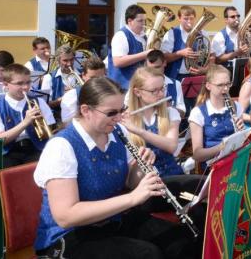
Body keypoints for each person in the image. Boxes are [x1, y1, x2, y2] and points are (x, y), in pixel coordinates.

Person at [33, 77, 201, 258]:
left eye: (122, 110)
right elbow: (66, 216)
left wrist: (143, 169)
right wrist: (132, 198)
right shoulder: (62, 147)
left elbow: (130, 179)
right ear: (86, 110)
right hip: (70, 236)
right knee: (147, 255)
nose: (119, 117)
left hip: (113, 220)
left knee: (181, 240)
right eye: (112, 112)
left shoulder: (117, 132)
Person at [123, 65, 201, 211]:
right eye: (154, 91)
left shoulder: (170, 113)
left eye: (162, 88)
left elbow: (171, 146)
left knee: (199, 204)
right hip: (146, 186)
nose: (161, 94)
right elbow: (129, 177)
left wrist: (139, 131)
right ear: (137, 92)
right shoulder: (125, 121)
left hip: (173, 176)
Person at [0, 64, 56, 167]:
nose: (25, 87)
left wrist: (42, 124)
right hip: (9, 152)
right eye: (19, 83)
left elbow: (51, 130)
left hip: (36, 147)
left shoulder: (38, 102)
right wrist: (25, 123)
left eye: (28, 82)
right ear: (5, 84)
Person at [188, 65, 245, 167]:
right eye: (220, 85)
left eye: (228, 84)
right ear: (208, 86)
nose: (226, 89)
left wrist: (243, 133)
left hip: (236, 161)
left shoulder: (236, 107)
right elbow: (197, 155)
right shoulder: (198, 113)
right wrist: (223, 147)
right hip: (214, 166)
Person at [161, 5, 212, 84]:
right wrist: (180, 53)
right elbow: (164, 57)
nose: (189, 21)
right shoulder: (172, 33)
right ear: (179, 18)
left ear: (195, 18)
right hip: (175, 77)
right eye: (185, 18)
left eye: (191, 18)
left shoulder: (203, 33)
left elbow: (211, 57)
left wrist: (204, 70)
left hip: (196, 77)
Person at [107, 4, 150, 90]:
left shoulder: (143, 36)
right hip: (121, 87)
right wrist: (144, 54)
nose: (144, 24)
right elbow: (118, 62)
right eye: (140, 21)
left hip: (137, 85)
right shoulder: (121, 35)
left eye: (144, 21)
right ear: (130, 21)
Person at [60, 57, 106, 124]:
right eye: (92, 78)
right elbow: (67, 123)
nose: (96, 81)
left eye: (100, 78)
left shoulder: (111, 90)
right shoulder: (72, 95)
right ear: (83, 76)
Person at [141, 50, 187, 117]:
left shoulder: (176, 84)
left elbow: (182, 113)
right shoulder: (139, 84)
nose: (153, 71)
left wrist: (170, 108)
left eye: (157, 67)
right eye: (150, 68)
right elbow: (128, 108)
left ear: (165, 63)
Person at [41, 45, 79, 111]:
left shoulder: (82, 75)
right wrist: (63, 99)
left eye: (71, 59)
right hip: (58, 118)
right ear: (58, 61)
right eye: (65, 60)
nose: (69, 64)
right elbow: (44, 104)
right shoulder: (48, 78)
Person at [211, 6, 249, 72]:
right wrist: (236, 53)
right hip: (226, 71)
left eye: (238, 16)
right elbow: (218, 59)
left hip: (243, 69)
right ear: (226, 20)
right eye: (233, 17)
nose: (236, 18)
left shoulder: (244, 33)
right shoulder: (220, 36)